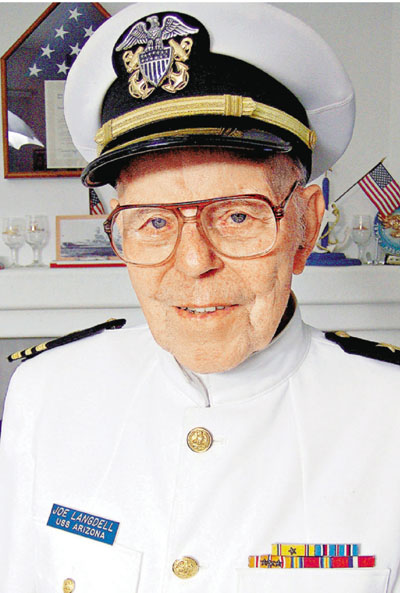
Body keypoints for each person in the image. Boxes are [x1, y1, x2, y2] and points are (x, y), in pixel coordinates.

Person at [1, 4, 399, 593]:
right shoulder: (46, 395)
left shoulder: (389, 415)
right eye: (154, 221)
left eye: (238, 215)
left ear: (306, 226)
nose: (193, 262)